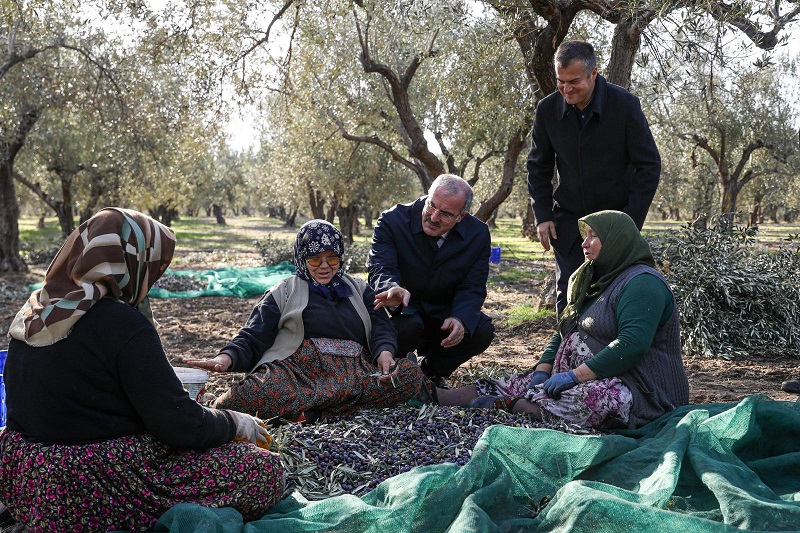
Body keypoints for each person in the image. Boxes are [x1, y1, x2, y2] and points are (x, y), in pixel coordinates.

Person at [0, 208, 284, 532]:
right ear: (130, 261)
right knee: (263, 470)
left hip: (28, 477)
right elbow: (179, 426)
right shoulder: (122, 325)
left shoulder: (35, 313)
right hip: (93, 483)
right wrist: (235, 423)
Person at [434, 210, 689, 430]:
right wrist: (542, 371)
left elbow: (631, 345)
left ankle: (519, 408)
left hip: (641, 390)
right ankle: (437, 396)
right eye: (584, 236)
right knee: (516, 383)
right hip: (584, 374)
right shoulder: (593, 279)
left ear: (616, 241)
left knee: (588, 400)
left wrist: (574, 377)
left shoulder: (642, 284)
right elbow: (565, 331)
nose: (584, 243)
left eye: (593, 236)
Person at [187, 220, 423, 422]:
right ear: (302, 258)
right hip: (299, 376)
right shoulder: (284, 291)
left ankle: (308, 412)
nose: (324, 267)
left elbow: (381, 325)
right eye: (315, 259)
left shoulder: (359, 288)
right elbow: (253, 335)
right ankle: (329, 410)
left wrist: (384, 352)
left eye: (332, 259)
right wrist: (225, 358)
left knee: (409, 376)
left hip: (355, 374)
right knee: (249, 395)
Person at [527, 40, 661, 315]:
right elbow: (538, 167)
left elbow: (649, 165)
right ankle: (567, 356)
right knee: (569, 295)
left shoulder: (625, 105)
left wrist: (629, 222)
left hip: (615, 223)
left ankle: (605, 358)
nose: (566, 89)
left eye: (574, 81)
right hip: (568, 223)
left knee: (611, 297)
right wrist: (542, 214)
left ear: (594, 73)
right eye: (560, 82)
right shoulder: (547, 110)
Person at [367, 174, 495, 389]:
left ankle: (431, 372)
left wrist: (461, 318)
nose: (433, 217)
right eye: (431, 205)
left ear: (461, 217)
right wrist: (391, 287)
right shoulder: (393, 220)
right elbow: (380, 266)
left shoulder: (478, 234)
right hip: (402, 311)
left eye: (445, 214)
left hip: (442, 313)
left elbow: (473, 285)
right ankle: (392, 374)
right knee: (407, 326)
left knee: (480, 330)